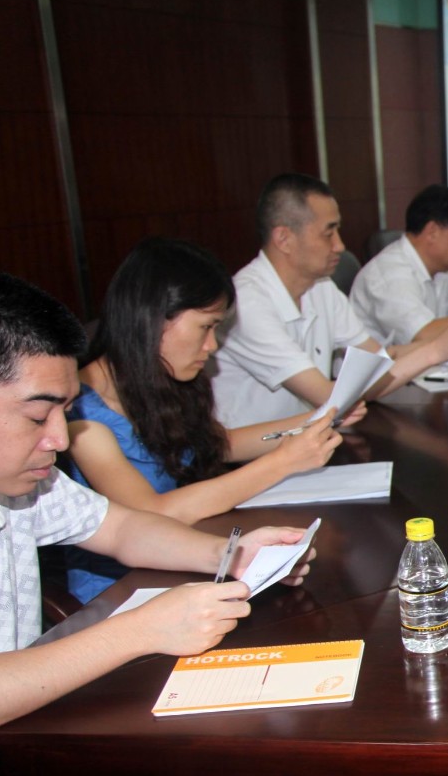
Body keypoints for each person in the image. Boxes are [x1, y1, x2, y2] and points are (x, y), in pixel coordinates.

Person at [0, 272, 313, 727]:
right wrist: (138, 632)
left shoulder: (21, 479)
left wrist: (231, 554)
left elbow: (121, 527)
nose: (59, 439)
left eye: (65, 412)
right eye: (39, 416)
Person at [63, 239, 342, 603]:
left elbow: (218, 443)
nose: (212, 345)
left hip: (185, 559)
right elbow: (149, 513)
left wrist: (320, 417)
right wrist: (284, 461)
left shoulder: (153, 379)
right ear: (154, 320)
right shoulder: (78, 409)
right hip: (121, 589)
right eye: (206, 327)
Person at [213, 174, 448, 428]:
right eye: (328, 233)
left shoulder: (321, 287)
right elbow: (330, 398)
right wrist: (436, 350)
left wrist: (440, 347)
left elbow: (376, 370)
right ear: (284, 239)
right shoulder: (247, 302)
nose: (340, 246)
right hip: (255, 455)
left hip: (307, 439)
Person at [350, 184, 448, 347]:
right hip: (388, 363)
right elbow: (423, 335)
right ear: (432, 232)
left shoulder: (441, 272)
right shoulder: (389, 275)